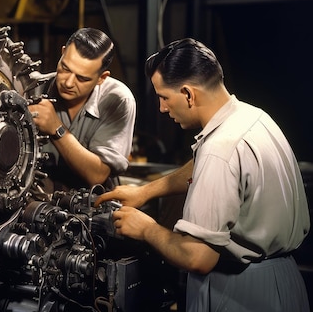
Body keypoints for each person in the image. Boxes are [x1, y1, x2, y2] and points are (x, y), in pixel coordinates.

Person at [94, 38, 310, 311]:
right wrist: (145, 192)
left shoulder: (219, 150)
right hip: (283, 282)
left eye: (163, 97)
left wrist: (146, 228)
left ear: (188, 94)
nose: (162, 108)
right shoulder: (252, 117)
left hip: (240, 295)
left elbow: (198, 256)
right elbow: (202, 165)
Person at [27, 27, 136, 192]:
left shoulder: (117, 100)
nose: (68, 83)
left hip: (92, 204)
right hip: (37, 197)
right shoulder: (33, 89)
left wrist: (56, 129)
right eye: (65, 68)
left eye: (82, 78)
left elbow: (97, 175)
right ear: (63, 52)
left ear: (102, 77)